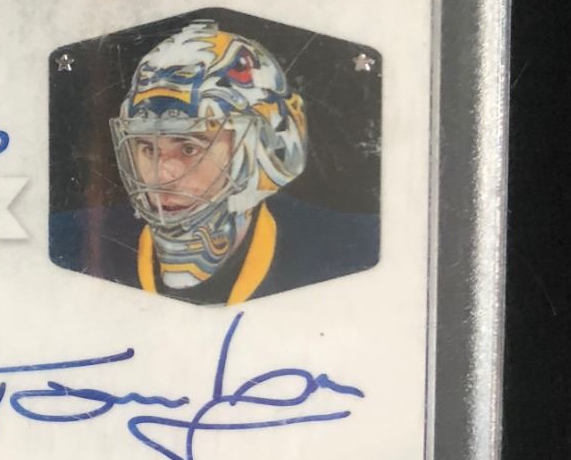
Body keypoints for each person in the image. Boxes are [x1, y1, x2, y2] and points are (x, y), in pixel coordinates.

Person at [49, 20, 378, 305]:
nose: (161, 175)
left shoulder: (355, 249)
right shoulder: (68, 242)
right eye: (147, 147)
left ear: (267, 145)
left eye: (189, 148)